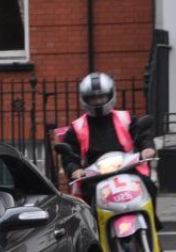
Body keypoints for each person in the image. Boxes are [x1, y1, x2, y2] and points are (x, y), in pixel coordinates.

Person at [54, 72, 161, 226]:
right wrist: (74, 169)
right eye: (93, 98)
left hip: (128, 169)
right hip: (95, 177)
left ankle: (151, 225)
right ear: (84, 99)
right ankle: (98, 235)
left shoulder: (125, 118)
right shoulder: (77, 127)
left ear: (110, 95)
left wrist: (147, 148)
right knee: (89, 200)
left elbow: (143, 133)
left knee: (149, 185)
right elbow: (69, 155)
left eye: (102, 97)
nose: (98, 101)